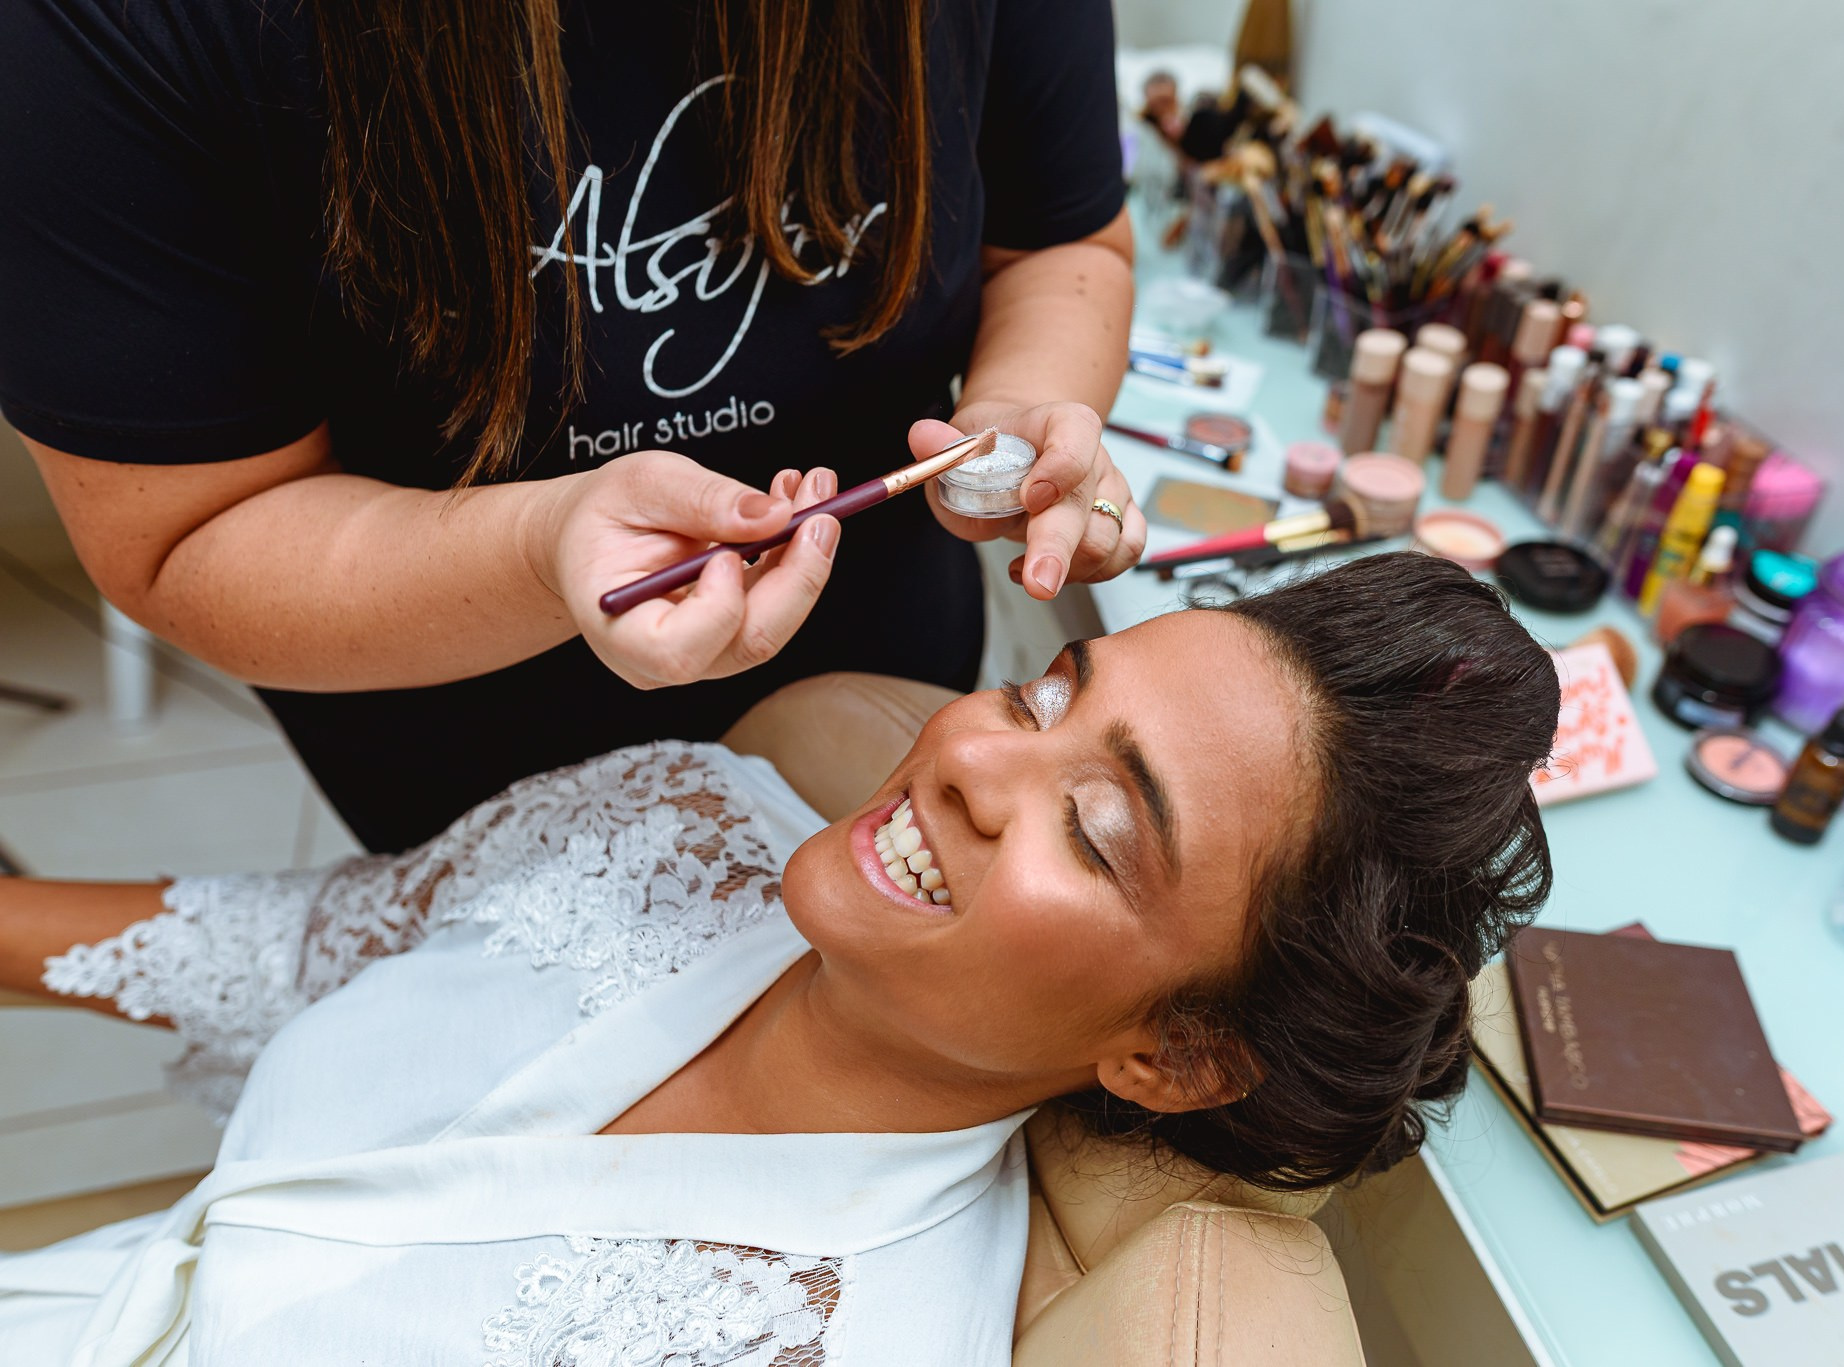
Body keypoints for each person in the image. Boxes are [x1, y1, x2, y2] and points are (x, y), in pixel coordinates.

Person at [0, 553, 1560, 1364]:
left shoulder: (830, 1330)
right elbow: (299, 945)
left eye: (1093, 827)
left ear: (1172, 1054)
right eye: (1041, 693)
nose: (963, 756)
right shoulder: (681, 817)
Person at [0, 0, 1147, 854]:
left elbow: (1058, 244)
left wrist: (1010, 416)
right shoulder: (100, 35)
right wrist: (541, 552)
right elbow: (191, 530)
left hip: (888, 678)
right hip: (470, 788)